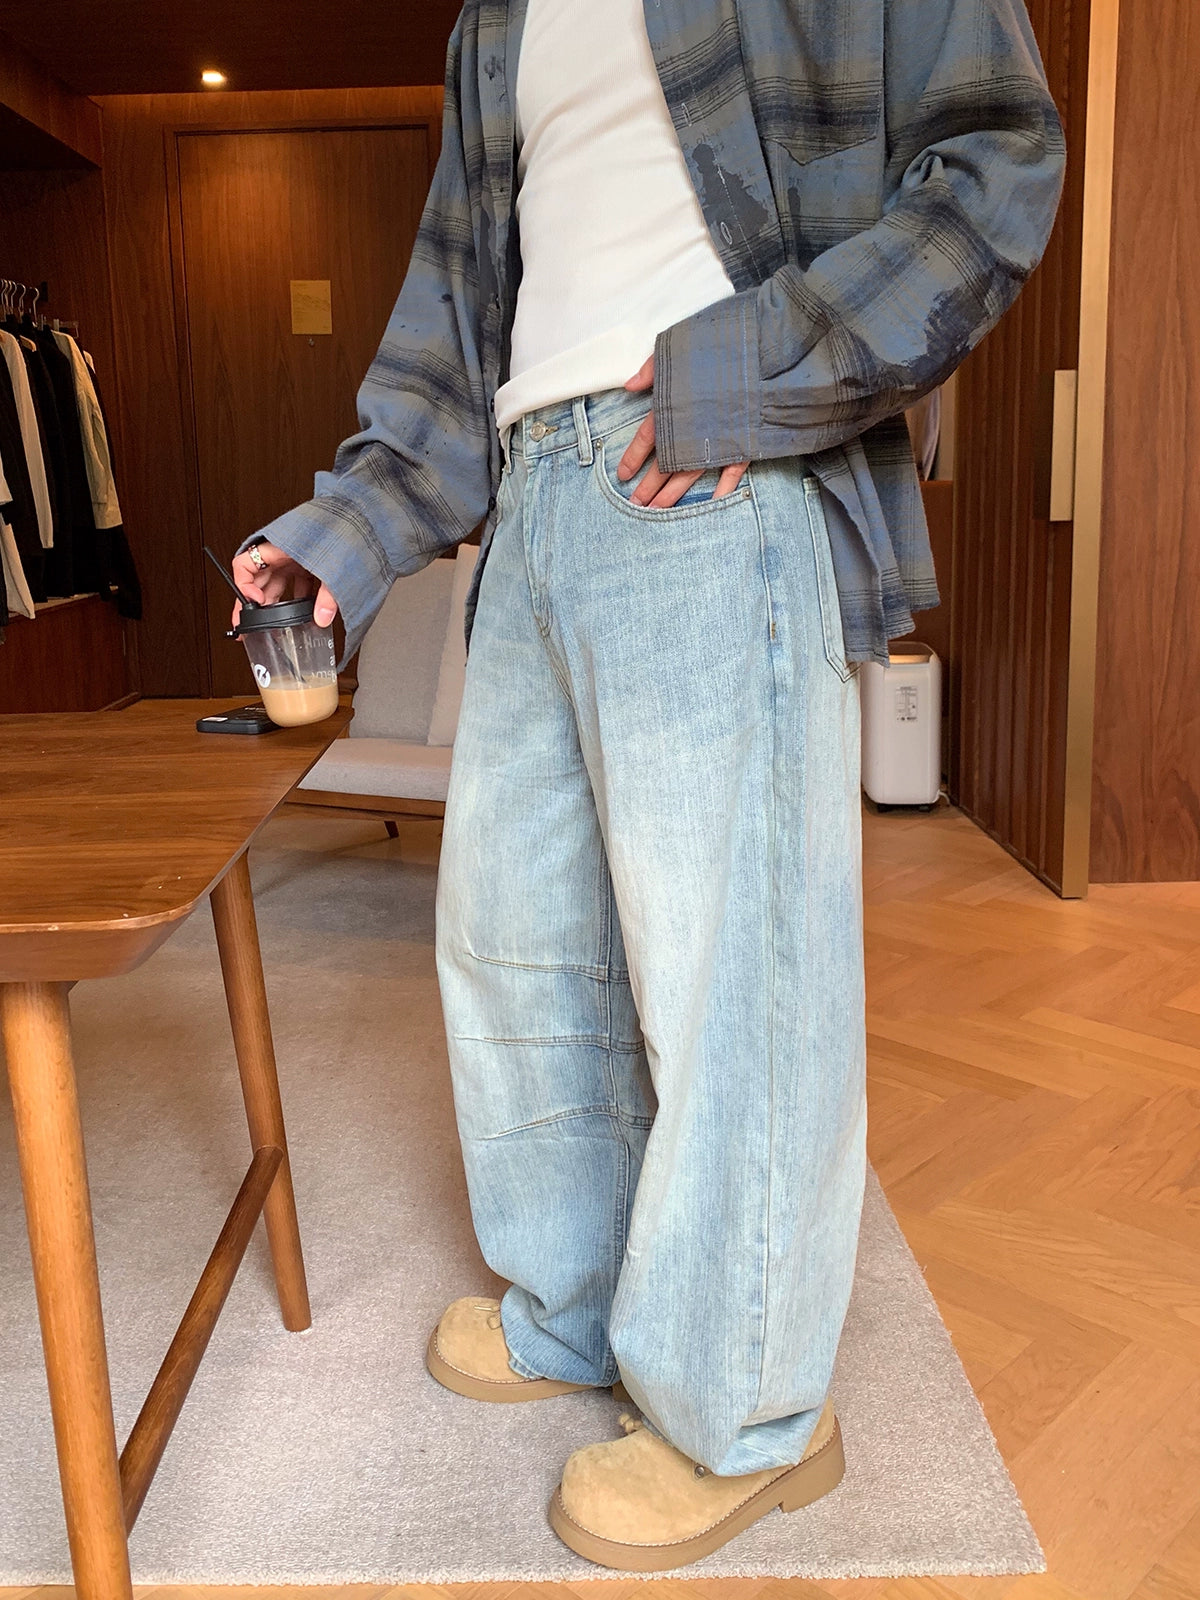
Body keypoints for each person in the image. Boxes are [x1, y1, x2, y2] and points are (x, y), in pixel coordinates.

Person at [233, 0, 1064, 1570]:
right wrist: (352, 530)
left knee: (726, 973)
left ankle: (748, 1413)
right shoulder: (495, 20)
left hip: (715, 462)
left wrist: (752, 371)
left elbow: (993, 161)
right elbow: (455, 312)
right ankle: (579, 1305)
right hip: (530, 497)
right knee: (517, 947)